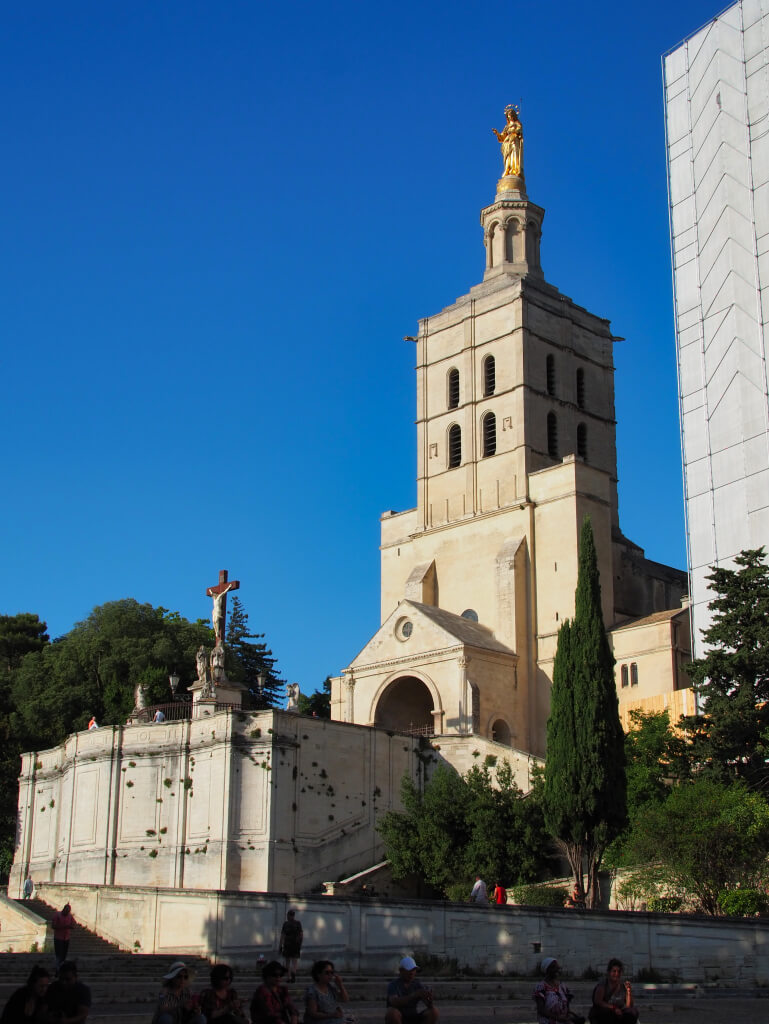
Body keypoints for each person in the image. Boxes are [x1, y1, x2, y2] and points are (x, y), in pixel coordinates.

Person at [385, 957, 438, 1024]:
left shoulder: (417, 984)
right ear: (401, 971)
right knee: (391, 1013)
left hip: (413, 1016)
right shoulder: (393, 984)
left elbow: (429, 1005)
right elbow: (394, 1001)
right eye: (409, 970)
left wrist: (429, 999)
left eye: (414, 970)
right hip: (400, 1017)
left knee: (434, 1011)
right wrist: (414, 995)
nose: (412, 973)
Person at [533, 958, 584, 1024]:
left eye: (558, 967)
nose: (557, 969)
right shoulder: (541, 987)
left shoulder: (563, 987)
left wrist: (572, 1016)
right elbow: (541, 1009)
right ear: (546, 970)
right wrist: (558, 1018)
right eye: (553, 967)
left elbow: (566, 1007)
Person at [589, 959, 638, 1024]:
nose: (616, 974)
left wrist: (629, 992)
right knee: (608, 1013)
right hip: (605, 1013)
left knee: (633, 1012)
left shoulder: (623, 985)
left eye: (619, 971)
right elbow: (598, 1001)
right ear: (609, 972)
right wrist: (614, 1008)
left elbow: (628, 1006)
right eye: (614, 971)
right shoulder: (603, 984)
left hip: (619, 1012)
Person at [279, 909, 303, 982]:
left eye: (288, 915)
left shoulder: (286, 924)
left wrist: (280, 945)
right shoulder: (298, 923)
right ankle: (293, 973)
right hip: (295, 944)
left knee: (288, 961)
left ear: (289, 916)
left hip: (288, 944)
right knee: (294, 961)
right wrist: (300, 943)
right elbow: (301, 934)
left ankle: (289, 976)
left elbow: (282, 935)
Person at [51, 905, 75, 969]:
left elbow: (73, 925)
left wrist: (69, 926)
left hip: (66, 938)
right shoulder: (57, 915)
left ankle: (61, 967)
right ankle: (57, 967)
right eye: (66, 911)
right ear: (63, 909)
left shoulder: (70, 916)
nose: (67, 913)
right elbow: (53, 926)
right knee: (59, 954)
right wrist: (63, 926)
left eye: (68, 911)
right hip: (58, 938)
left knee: (64, 954)